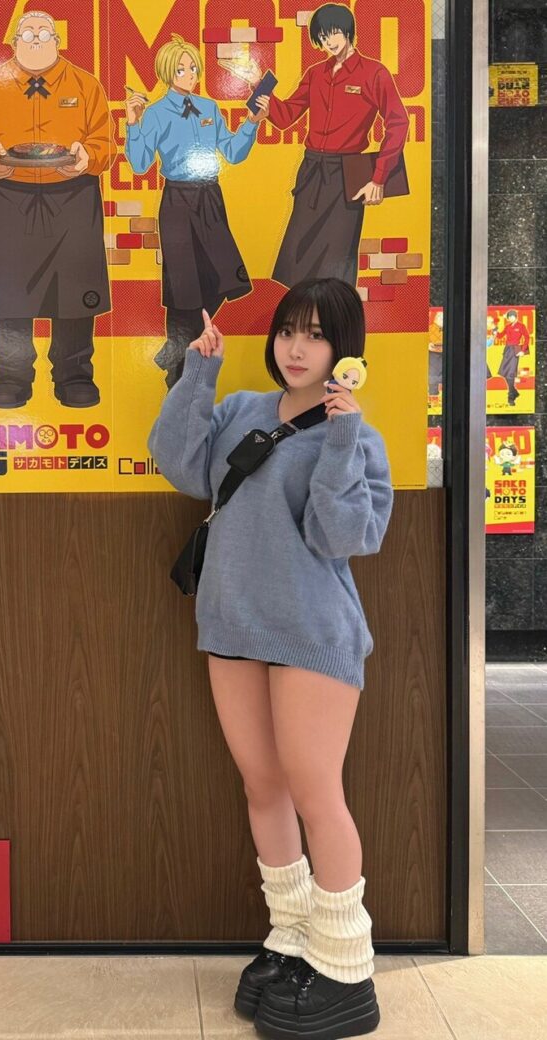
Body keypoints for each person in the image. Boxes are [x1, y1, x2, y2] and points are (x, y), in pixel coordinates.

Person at [148, 277, 393, 1038]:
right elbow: (179, 465)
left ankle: (345, 965)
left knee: (316, 792)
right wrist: (199, 373)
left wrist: (342, 440)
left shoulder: (356, 435)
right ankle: (291, 938)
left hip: (311, 633)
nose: (297, 347)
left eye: (316, 334)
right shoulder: (241, 411)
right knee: (263, 787)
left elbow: (342, 537)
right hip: (231, 625)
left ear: (343, 348)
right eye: (289, 330)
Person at [0, 10, 116, 409]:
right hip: (5, 197)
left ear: (58, 42)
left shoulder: (86, 84)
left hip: (72, 196)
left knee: (74, 290)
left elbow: (104, 142)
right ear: (13, 42)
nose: (35, 39)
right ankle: (10, 376)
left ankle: (74, 374)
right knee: (8, 292)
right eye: (27, 33)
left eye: (44, 33)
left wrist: (88, 156)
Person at [124, 34, 266, 389]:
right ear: (166, 73)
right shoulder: (155, 114)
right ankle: (178, 370)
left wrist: (251, 122)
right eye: (181, 69)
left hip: (210, 197)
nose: (189, 74)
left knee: (224, 276)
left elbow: (232, 153)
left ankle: (174, 349)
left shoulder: (209, 108)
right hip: (177, 202)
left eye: (193, 68)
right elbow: (139, 164)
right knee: (183, 285)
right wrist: (133, 124)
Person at [247, 3, 409, 288]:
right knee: (295, 258)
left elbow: (398, 123)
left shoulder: (375, 73)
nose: (328, 42)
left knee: (337, 262)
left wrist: (378, 178)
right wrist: (259, 89)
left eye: (333, 33)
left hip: (347, 177)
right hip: (312, 172)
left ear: (348, 31)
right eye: (322, 37)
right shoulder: (315, 73)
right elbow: (286, 116)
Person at [497, 309, 529, 406]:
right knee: (504, 372)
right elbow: (500, 336)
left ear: (515, 316)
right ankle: (514, 391)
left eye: (512, 316)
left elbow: (527, 337)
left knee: (510, 373)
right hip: (507, 350)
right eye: (509, 317)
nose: (510, 318)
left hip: (515, 350)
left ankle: (511, 397)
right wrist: (495, 331)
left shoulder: (521, 326)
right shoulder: (507, 326)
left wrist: (523, 350)